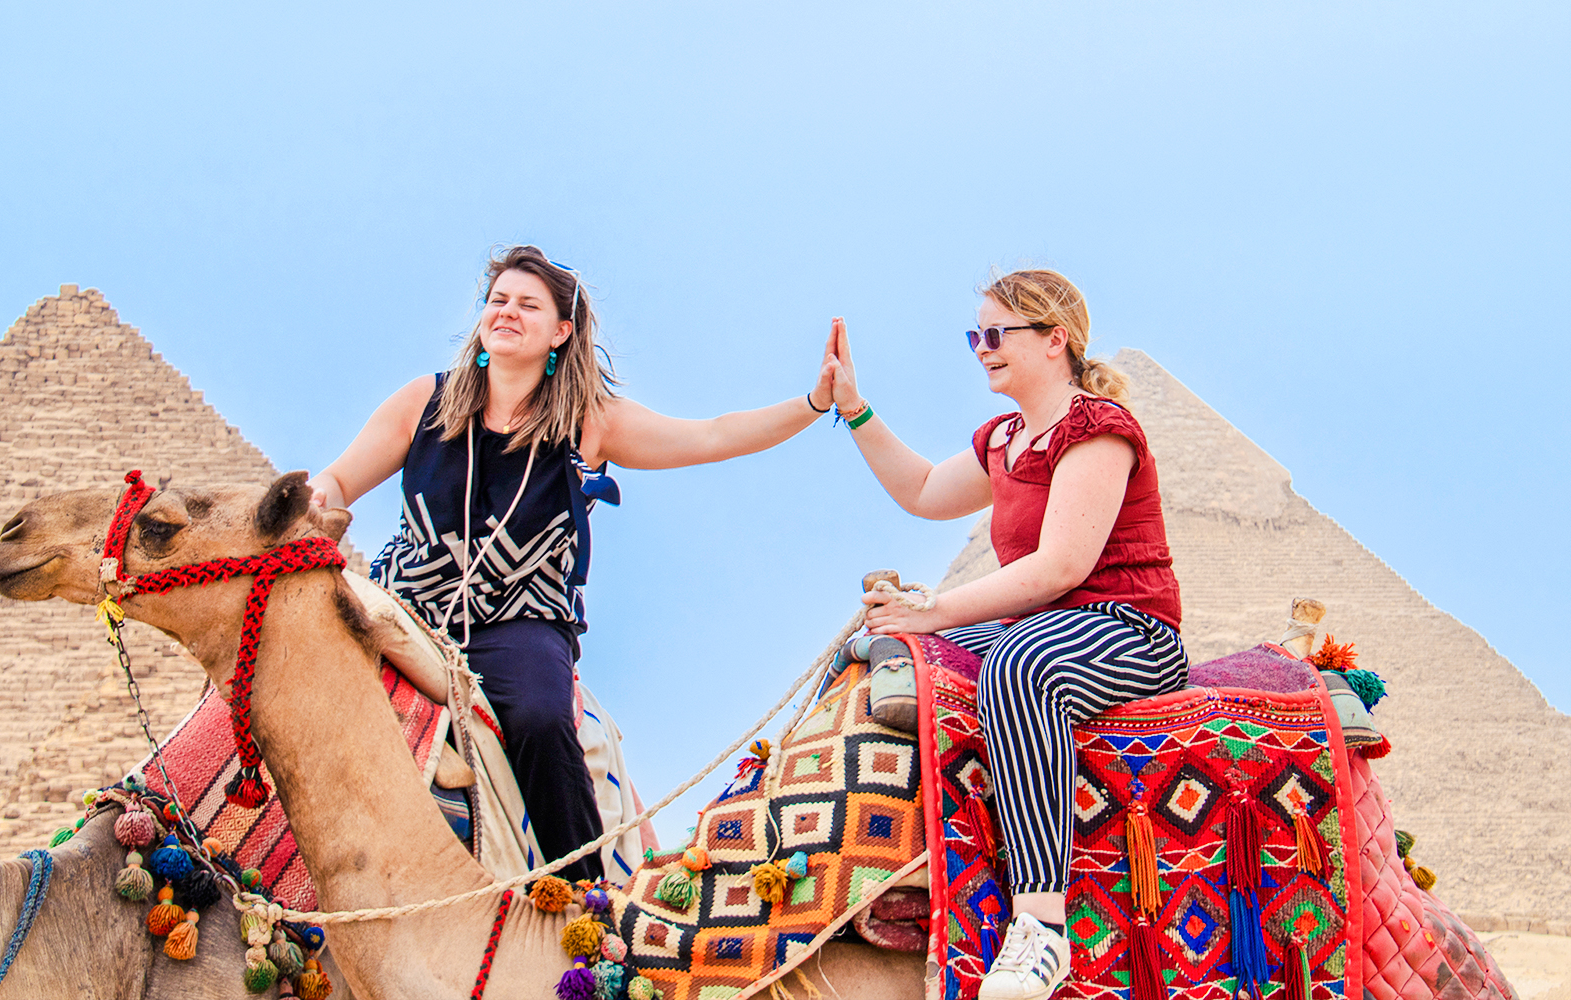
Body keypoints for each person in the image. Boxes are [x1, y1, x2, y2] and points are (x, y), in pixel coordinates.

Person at [308, 245, 841, 883]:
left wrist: (813, 401)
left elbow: (712, 435)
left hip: (518, 621)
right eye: (498, 300)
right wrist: (310, 505)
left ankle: (587, 904)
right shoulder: (425, 402)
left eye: (527, 305)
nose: (507, 312)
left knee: (539, 717)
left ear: (561, 332)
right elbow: (338, 481)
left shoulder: (590, 422)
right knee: (293, 667)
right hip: (406, 604)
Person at [826, 269, 1186, 1000]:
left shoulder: (1098, 429)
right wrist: (854, 408)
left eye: (997, 334)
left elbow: (1062, 566)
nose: (982, 349)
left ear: (1056, 341)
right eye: (975, 336)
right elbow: (924, 490)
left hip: (1128, 630)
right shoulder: (1006, 440)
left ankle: (1039, 926)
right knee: (897, 655)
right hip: (1049, 626)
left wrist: (936, 607)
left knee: (1017, 664)